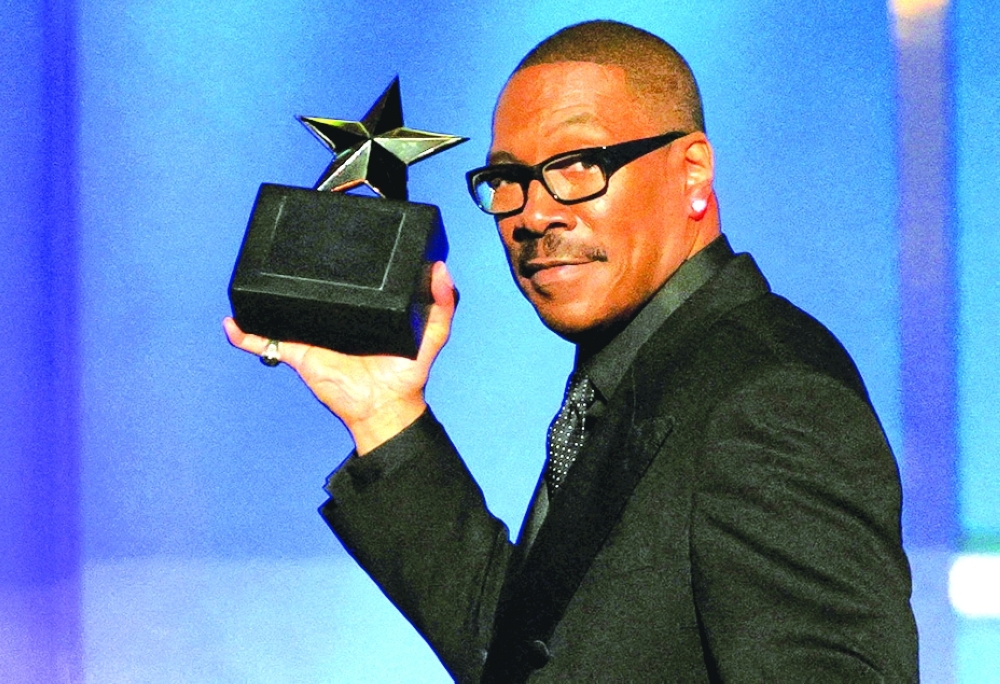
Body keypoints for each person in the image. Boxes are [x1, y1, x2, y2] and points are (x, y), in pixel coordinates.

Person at [224, 20, 918, 683]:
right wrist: (386, 416)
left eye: (579, 164)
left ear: (693, 172)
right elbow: (528, 660)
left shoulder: (768, 398)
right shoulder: (639, 376)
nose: (532, 214)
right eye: (507, 180)